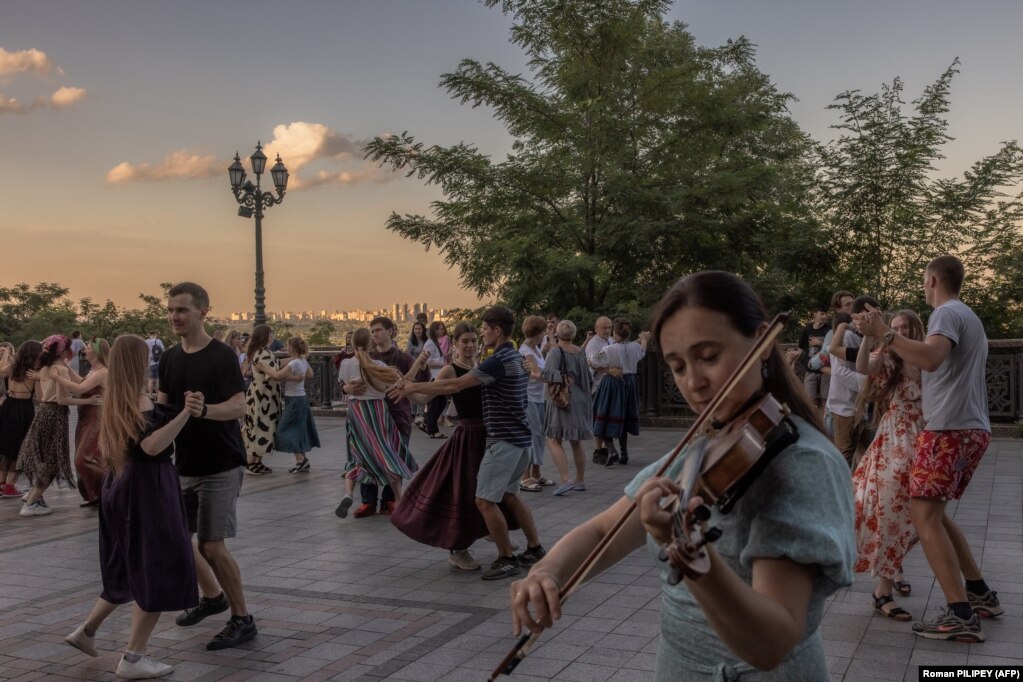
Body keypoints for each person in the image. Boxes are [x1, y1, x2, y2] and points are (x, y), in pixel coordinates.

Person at [510, 271, 855, 680]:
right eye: (676, 366)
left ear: (762, 343)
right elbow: (607, 529)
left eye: (708, 356)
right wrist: (547, 572)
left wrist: (691, 555)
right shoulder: (709, 443)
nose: (694, 382)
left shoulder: (800, 463)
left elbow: (771, 643)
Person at [856, 256, 1001, 642]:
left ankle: (960, 613)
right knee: (934, 515)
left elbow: (932, 359)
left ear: (932, 279)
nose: (923, 286)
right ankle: (980, 593)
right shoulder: (967, 315)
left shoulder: (946, 313)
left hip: (948, 431)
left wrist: (885, 330)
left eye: (924, 281)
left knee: (924, 517)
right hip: (967, 429)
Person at [63, 335, 202, 680]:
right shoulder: (136, 400)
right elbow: (152, 446)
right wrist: (186, 412)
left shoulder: (116, 399)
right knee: (156, 567)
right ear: (138, 362)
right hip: (146, 488)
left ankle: (87, 631)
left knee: (128, 563)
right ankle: (134, 657)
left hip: (121, 484)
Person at [392, 307, 545, 581]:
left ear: (497, 331)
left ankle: (507, 558)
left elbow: (456, 386)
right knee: (507, 495)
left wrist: (412, 386)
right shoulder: (516, 358)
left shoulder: (496, 361)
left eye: (483, 331)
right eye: (468, 339)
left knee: (484, 500)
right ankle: (534, 548)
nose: (478, 338)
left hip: (502, 441)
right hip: (517, 440)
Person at [158, 282, 254, 650]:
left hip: (221, 463)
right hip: (184, 465)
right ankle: (213, 597)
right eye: (170, 310)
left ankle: (242, 618)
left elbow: (239, 406)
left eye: (181, 310)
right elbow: (164, 409)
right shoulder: (169, 357)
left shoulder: (221, 356)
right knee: (177, 539)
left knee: (212, 546)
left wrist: (204, 410)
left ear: (203, 312)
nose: (174, 316)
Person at [849, 309, 925, 622]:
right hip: (895, 435)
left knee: (926, 517)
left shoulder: (926, 353)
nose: (897, 331)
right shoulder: (888, 353)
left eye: (903, 326)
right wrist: (869, 335)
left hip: (922, 433)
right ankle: (883, 588)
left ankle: (891, 570)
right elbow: (862, 365)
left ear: (915, 328)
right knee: (894, 509)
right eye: (893, 327)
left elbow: (921, 375)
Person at [341, 316, 429, 518]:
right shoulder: (367, 359)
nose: (375, 334)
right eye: (372, 331)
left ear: (391, 331)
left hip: (397, 415)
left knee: (393, 455)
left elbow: (420, 381)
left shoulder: (403, 358)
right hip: (377, 414)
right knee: (367, 454)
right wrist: (347, 388)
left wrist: (421, 367)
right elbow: (345, 386)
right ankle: (368, 501)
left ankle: (389, 500)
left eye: (379, 330)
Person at [524, 320, 592, 497]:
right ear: (574, 334)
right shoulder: (580, 352)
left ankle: (565, 479)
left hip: (561, 400)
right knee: (576, 441)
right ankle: (580, 480)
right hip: (579, 399)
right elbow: (588, 378)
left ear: (557, 334)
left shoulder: (555, 352)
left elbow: (547, 374)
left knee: (554, 439)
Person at [17, 335, 76, 516]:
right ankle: (33, 500)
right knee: (53, 461)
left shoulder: (45, 369)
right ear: (64, 351)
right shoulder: (60, 370)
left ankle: (32, 496)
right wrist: (88, 400)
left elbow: (42, 397)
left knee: (44, 458)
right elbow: (62, 399)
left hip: (43, 414)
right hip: (56, 416)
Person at [52, 338, 109, 506]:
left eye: (88, 347)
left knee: (83, 458)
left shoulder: (102, 371)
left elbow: (79, 389)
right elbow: (80, 382)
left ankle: (108, 488)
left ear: (97, 352)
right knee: (90, 455)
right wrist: (66, 366)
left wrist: (56, 377)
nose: (85, 350)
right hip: (85, 415)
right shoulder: (94, 370)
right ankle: (95, 495)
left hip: (95, 416)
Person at [590, 318, 650, 467]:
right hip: (630, 383)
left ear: (615, 334)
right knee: (622, 418)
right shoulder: (635, 347)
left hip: (612, 383)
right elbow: (642, 351)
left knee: (600, 416)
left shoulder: (609, 349)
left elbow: (592, 361)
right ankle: (624, 454)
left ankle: (611, 450)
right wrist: (644, 339)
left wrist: (607, 369)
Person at [256, 336, 319, 473]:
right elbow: (310, 375)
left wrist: (264, 368)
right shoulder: (302, 361)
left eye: (288, 346)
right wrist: (294, 377)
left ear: (292, 348)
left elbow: (277, 376)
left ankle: (301, 460)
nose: (286, 348)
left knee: (283, 431)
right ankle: (302, 460)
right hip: (301, 399)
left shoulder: (294, 363)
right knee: (296, 430)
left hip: (294, 400)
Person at [0, 341, 42, 499]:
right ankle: (10, 485)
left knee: (6, 447)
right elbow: (40, 396)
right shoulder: (35, 372)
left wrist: (6, 353)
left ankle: (2, 484)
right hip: (23, 409)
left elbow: (0, 370)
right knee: (20, 449)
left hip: (8, 405)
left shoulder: (13, 367)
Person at [518, 316, 554, 491]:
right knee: (531, 436)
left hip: (540, 398)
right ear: (537, 333)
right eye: (543, 332)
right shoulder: (526, 351)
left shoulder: (537, 349)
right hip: (529, 399)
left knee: (539, 436)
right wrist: (556, 379)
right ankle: (525, 477)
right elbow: (535, 373)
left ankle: (537, 473)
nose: (544, 336)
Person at [240, 325, 282, 475]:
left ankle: (257, 461)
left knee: (261, 425)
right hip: (263, 396)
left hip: (263, 394)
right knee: (261, 426)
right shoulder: (263, 353)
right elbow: (273, 374)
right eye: (270, 334)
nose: (272, 336)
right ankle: (251, 461)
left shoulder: (261, 352)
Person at [586, 316, 614, 463]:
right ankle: (599, 450)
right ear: (596, 328)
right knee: (599, 418)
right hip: (599, 386)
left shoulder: (612, 341)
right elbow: (593, 363)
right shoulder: (593, 344)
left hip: (611, 385)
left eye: (609, 327)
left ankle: (607, 449)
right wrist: (610, 369)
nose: (608, 331)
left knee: (608, 418)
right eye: (604, 328)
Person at [798, 305, 830, 410]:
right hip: (810, 369)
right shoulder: (808, 328)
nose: (824, 316)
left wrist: (819, 342)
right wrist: (793, 357)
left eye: (826, 314)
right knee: (809, 398)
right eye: (822, 313)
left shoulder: (829, 330)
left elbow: (832, 347)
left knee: (825, 398)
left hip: (825, 370)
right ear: (815, 314)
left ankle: (824, 423)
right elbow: (801, 347)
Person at [422, 320, 449, 438]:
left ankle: (428, 423)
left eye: (442, 329)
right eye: (439, 329)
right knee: (437, 403)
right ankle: (433, 429)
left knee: (440, 402)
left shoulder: (435, 343)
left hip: (438, 376)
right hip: (433, 376)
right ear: (434, 330)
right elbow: (427, 361)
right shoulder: (430, 344)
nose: (441, 331)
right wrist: (442, 362)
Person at [145, 332, 164, 398]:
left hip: (150, 363)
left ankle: (150, 395)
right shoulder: (158, 341)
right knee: (158, 380)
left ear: (149, 335)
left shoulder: (146, 342)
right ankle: (157, 395)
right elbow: (163, 351)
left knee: (150, 379)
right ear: (155, 335)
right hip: (158, 363)